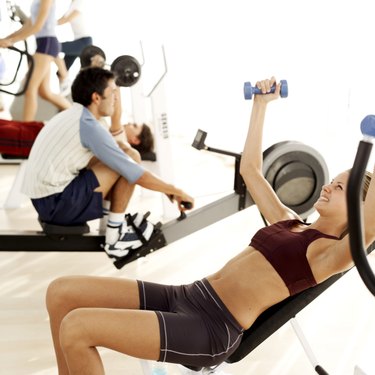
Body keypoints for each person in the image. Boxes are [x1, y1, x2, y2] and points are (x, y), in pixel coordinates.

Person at [45, 76, 375, 374]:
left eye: (341, 187)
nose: (328, 186)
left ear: (360, 209)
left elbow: (370, 230)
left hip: (210, 328)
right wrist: (260, 105)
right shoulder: (291, 221)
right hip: (188, 295)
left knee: (77, 327)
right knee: (61, 293)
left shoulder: (330, 255)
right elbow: (251, 171)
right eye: (332, 181)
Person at [21, 66, 193, 262]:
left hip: (45, 200)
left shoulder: (76, 115)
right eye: (112, 93)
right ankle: (115, 238)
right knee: (131, 161)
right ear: (96, 97)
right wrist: (174, 190)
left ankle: (110, 225)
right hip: (57, 205)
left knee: (124, 152)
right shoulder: (89, 126)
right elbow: (135, 173)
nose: (116, 98)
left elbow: (117, 138)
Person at [0, 0, 71, 121]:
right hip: (43, 44)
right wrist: (7, 39)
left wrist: (12, 41)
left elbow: (37, 26)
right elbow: (29, 24)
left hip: (47, 43)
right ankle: (74, 115)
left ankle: (26, 128)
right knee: (44, 92)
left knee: (30, 88)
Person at [0, 118, 154, 158]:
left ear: (135, 140)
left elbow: (116, 112)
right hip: (42, 127)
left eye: (134, 126)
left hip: (43, 140)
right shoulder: (108, 128)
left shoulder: (118, 141)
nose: (128, 123)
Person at [54, 0, 93, 95]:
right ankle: (63, 94)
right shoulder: (72, 4)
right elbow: (63, 18)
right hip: (78, 41)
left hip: (84, 42)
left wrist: (49, 23)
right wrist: (50, 22)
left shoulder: (80, 2)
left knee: (53, 47)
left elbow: (68, 19)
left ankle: (68, 85)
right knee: (60, 73)